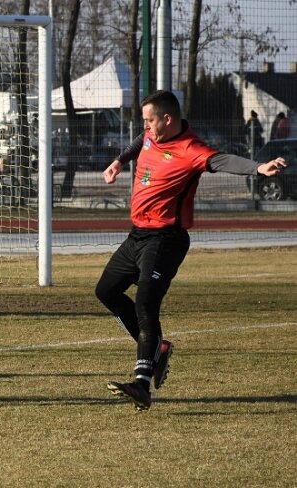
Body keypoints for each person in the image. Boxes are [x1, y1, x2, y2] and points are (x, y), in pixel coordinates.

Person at [97, 90, 286, 411]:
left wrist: (258, 168)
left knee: (145, 303)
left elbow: (221, 159)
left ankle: (142, 384)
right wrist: (119, 160)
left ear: (167, 119)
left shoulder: (190, 149)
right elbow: (138, 143)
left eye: (149, 120)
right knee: (107, 291)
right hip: (137, 236)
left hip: (165, 240)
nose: (145, 126)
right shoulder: (150, 134)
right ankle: (159, 349)